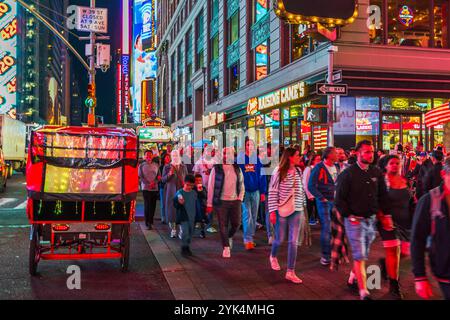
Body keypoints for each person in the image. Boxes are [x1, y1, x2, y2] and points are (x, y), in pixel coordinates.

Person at [335, 140, 388, 300]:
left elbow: (383, 195)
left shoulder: (376, 172)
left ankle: (353, 277)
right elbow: (339, 199)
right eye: (366, 152)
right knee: (360, 255)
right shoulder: (348, 174)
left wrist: (384, 215)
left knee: (364, 253)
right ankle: (363, 291)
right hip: (355, 221)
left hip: (371, 220)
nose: (370, 155)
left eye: (371, 152)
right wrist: (349, 215)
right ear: (357, 153)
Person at [411, 157, 450, 300]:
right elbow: (417, 240)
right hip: (445, 270)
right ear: (443, 174)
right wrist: (420, 277)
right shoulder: (429, 201)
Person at [377, 155, 414, 299]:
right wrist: (382, 217)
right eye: (392, 163)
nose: (395, 165)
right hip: (388, 221)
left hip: (406, 221)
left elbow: (410, 199)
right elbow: (377, 200)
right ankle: (394, 287)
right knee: (394, 251)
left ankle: (385, 265)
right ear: (385, 165)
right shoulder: (382, 181)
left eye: (397, 163)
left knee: (406, 251)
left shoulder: (404, 180)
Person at [268, 147, 306, 284]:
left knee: (293, 241)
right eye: (297, 155)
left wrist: (303, 206)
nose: (300, 157)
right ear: (290, 157)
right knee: (279, 238)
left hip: (297, 209)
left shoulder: (298, 171)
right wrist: (272, 211)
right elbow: (272, 192)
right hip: (282, 210)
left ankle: (290, 271)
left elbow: (300, 190)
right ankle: (273, 256)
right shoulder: (278, 171)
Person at [206, 147, 245, 258]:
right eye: (224, 153)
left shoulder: (237, 168)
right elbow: (211, 186)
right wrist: (209, 204)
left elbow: (242, 184)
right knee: (222, 225)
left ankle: (228, 237)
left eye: (229, 153)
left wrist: (240, 198)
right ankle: (226, 247)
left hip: (235, 201)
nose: (226, 155)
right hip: (221, 201)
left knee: (236, 224)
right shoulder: (216, 169)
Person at [308, 147, 340, 266]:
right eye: (335, 153)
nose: (337, 155)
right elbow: (311, 185)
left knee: (335, 228)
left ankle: (333, 252)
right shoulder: (319, 167)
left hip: (335, 201)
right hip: (324, 202)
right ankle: (326, 256)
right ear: (329, 155)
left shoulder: (336, 167)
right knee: (326, 227)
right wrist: (321, 197)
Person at [237, 138, 267, 250]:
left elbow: (262, 175)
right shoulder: (240, 159)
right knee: (247, 215)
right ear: (245, 146)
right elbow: (237, 175)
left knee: (254, 215)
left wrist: (263, 191)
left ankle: (250, 237)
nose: (250, 147)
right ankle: (247, 239)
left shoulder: (257, 160)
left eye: (252, 145)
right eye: (248, 144)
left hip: (256, 192)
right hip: (244, 191)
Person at [162, 149, 188, 238]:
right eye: (173, 155)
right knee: (171, 211)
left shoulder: (183, 167)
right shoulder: (167, 167)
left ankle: (181, 230)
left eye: (176, 155)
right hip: (171, 191)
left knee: (181, 211)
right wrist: (169, 174)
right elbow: (163, 179)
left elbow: (187, 178)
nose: (175, 157)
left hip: (181, 191)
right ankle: (173, 229)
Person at [194, 145, 218, 233]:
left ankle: (209, 224)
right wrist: (196, 186)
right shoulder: (199, 162)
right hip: (201, 188)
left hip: (212, 188)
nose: (209, 152)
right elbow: (195, 174)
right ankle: (198, 221)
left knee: (210, 206)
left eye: (210, 151)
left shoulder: (215, 162)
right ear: (204, 152)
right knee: (199, 205)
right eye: (207, 151)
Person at [173, 174, 199, 257]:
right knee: (185, 232)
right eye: (188, 185)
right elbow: (175, 203)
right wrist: (178, 202)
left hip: (192, 216)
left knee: (191, 232)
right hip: (184, 217)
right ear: (184, 183)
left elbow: (199, 202)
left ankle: (187, 246)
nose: (189, 187)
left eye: (191, 185)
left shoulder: (194, 193)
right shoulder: (180, 193)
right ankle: (184, 247)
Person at [138, 151, 160, 230]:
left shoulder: (156, 165)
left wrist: (154, 183)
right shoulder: (141, 166)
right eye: (147, 155)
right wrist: (148, 184)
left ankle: (151, 221)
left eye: (150, 155)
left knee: (153, 205)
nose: (148, 156)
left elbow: (158, 176)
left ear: (152, 156)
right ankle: (147, 222)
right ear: (144, 156)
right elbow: (140, 177)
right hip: (146, 188)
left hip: (155, 188)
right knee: (147, 205)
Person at [303, 154, 321, 225]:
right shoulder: (308, 169)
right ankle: (307, 222)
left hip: (317, 193)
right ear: (313, 161)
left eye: (320, 159)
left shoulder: (319, 168)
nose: (320, 161)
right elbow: (305, 182)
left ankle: (314, 219)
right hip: (310, 194)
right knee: (309, 209)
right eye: (318, 160)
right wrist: (309, 195)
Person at [159, 153, 171, 224]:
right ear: (163, 159)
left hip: (170, 187)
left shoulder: (172, 166)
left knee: (170, 203)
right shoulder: (161, 167)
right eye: (166, 158)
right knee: (163, 203)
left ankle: (169, 216)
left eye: (169, 157)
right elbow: (160, 178)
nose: (168, 159)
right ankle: (163, 216)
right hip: (163, 187)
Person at [194, 173, 208, 238]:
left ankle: (202, 231)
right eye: (196, 180)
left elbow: (205, 196)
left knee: (202, 219)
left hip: (201, 207)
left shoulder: (203, 188)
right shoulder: (192, 188)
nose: (198, 182)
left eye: (199, 180)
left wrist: (201, 191)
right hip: (194, 207)